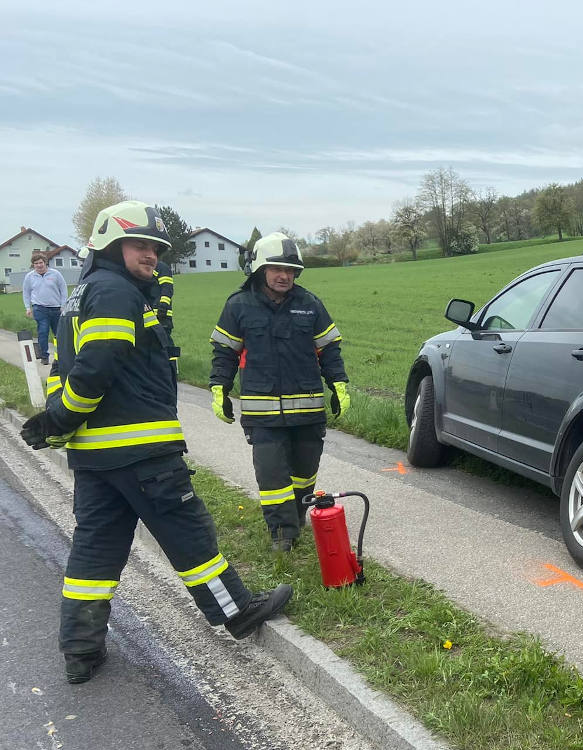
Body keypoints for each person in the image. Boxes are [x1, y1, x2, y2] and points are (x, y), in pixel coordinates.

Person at [20, 201, 292, 684]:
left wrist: (60, 427)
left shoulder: (83, 294)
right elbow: (97, 367)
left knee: (95, 550)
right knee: (189, 536)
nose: (151, 255)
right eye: (140, 245)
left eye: (156, 247)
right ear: (109, 244)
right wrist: (57, 418)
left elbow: (68, 367)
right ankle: (237, 612)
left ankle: (80, 649)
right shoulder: (114, 292)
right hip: (143, 451)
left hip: (95, 456)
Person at [209, 232, 350, 551]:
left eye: (290, 270)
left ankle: (297, 516)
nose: (284, 275)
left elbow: (329, 350)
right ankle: (282, 534)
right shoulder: (238, 305)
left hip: (308, 412)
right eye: (276, 269)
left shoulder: (310, 304)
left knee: (304, 474)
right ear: (260, 269)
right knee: (272, 477)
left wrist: (338, 384)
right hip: (263, 415)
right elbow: (224, 353)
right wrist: (220, 387)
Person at [22, 250, 68, 364]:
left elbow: (63, 289)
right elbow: (26, 293)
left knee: (59, 333)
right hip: (39, 308)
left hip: (56, 308)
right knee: (43, 331)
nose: (39, 265)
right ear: (33, 265)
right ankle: (44, 356)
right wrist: (28, 307)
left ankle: (62, 356)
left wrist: (63, 305)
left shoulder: (55, 274)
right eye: (36, 263)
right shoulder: (30, 277)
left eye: (40, 263)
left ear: (45, 262)